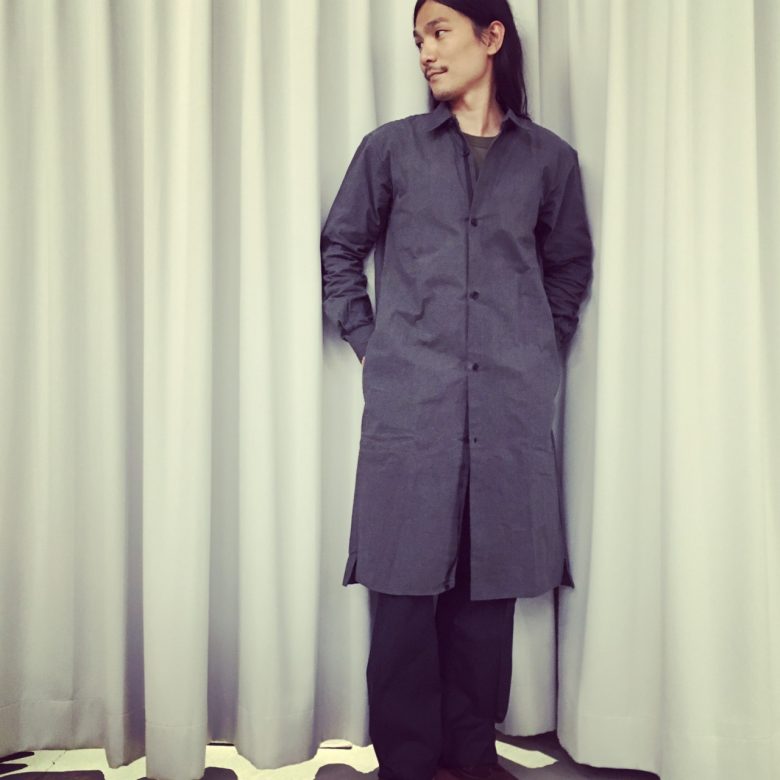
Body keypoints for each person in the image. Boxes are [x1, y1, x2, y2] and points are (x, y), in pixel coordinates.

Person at [320, 1, 594, 778]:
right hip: (413, 405)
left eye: (439, 32)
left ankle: (473, 756)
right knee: (404, 594)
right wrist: (373, 344)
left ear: (491, 36)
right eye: (418, 40)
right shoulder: (391, 150)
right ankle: (407, 763)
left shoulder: (549, 161)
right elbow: (340, 248)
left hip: (507, 410)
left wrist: (538, 348)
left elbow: (568, 265)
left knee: (485, 598)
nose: (426, 52)